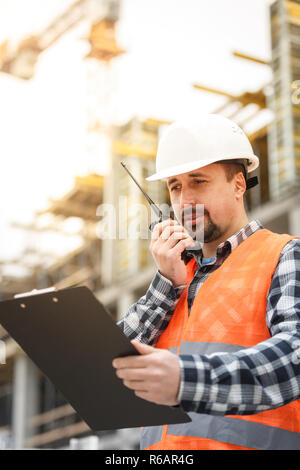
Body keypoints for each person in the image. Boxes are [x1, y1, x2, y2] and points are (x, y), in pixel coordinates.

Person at [112, 114, 300, 450]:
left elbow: (296, 355)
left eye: (198, 182)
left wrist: (186, 379)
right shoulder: (175, 280)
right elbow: (109, 370)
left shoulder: (285, 255)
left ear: (238, 185)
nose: (184, 202)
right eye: (175, 186)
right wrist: (166, 284)